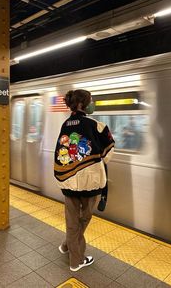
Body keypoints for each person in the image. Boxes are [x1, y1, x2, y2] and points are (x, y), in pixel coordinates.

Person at [54, 89, 115, 272]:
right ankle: (76, 261)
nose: (92, 104)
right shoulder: (97, 125)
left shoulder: (65, 125)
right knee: (84, 219)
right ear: (82, 104)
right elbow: (108, 155)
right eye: (91, 101)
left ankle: (67, 245)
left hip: (68, 182)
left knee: (72, 221)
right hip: (91, 183)